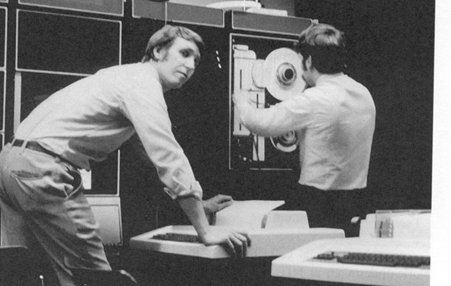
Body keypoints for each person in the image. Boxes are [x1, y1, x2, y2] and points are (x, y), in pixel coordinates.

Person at [0, 25, 249, 286]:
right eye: (184, 53)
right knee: (93, 277)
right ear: (157, 51)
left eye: (196, 61)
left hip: (11, 165)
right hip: (43, 170)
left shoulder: (122, 76)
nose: (190, 66)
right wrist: (205, 230)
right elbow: (168, 155)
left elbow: (148, 155)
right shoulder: (143, 84)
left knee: (20, 272)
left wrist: (197, 206)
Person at [233, 23, 376, 235]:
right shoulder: (364, 94)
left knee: (256, 225)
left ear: (308, 60)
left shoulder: (314, 99)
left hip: (317, 204)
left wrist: (241, 100)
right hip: (356, 201)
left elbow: (260, 123)